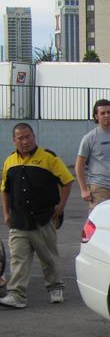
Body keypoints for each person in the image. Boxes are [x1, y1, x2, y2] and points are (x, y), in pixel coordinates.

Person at [0, 123, 74, 309]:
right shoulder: (10, 162)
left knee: (48, 258)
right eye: (20, 138)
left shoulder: (49, 158)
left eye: (28, 137)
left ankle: (55, 288)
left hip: (43, 219)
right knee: (18, 259)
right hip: (19, 220)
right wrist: (6, 213)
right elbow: (5, 190)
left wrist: (60, 207)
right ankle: (17, 295)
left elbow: (67, 181)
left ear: (34, 137)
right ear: (14, 140)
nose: (25, 141)